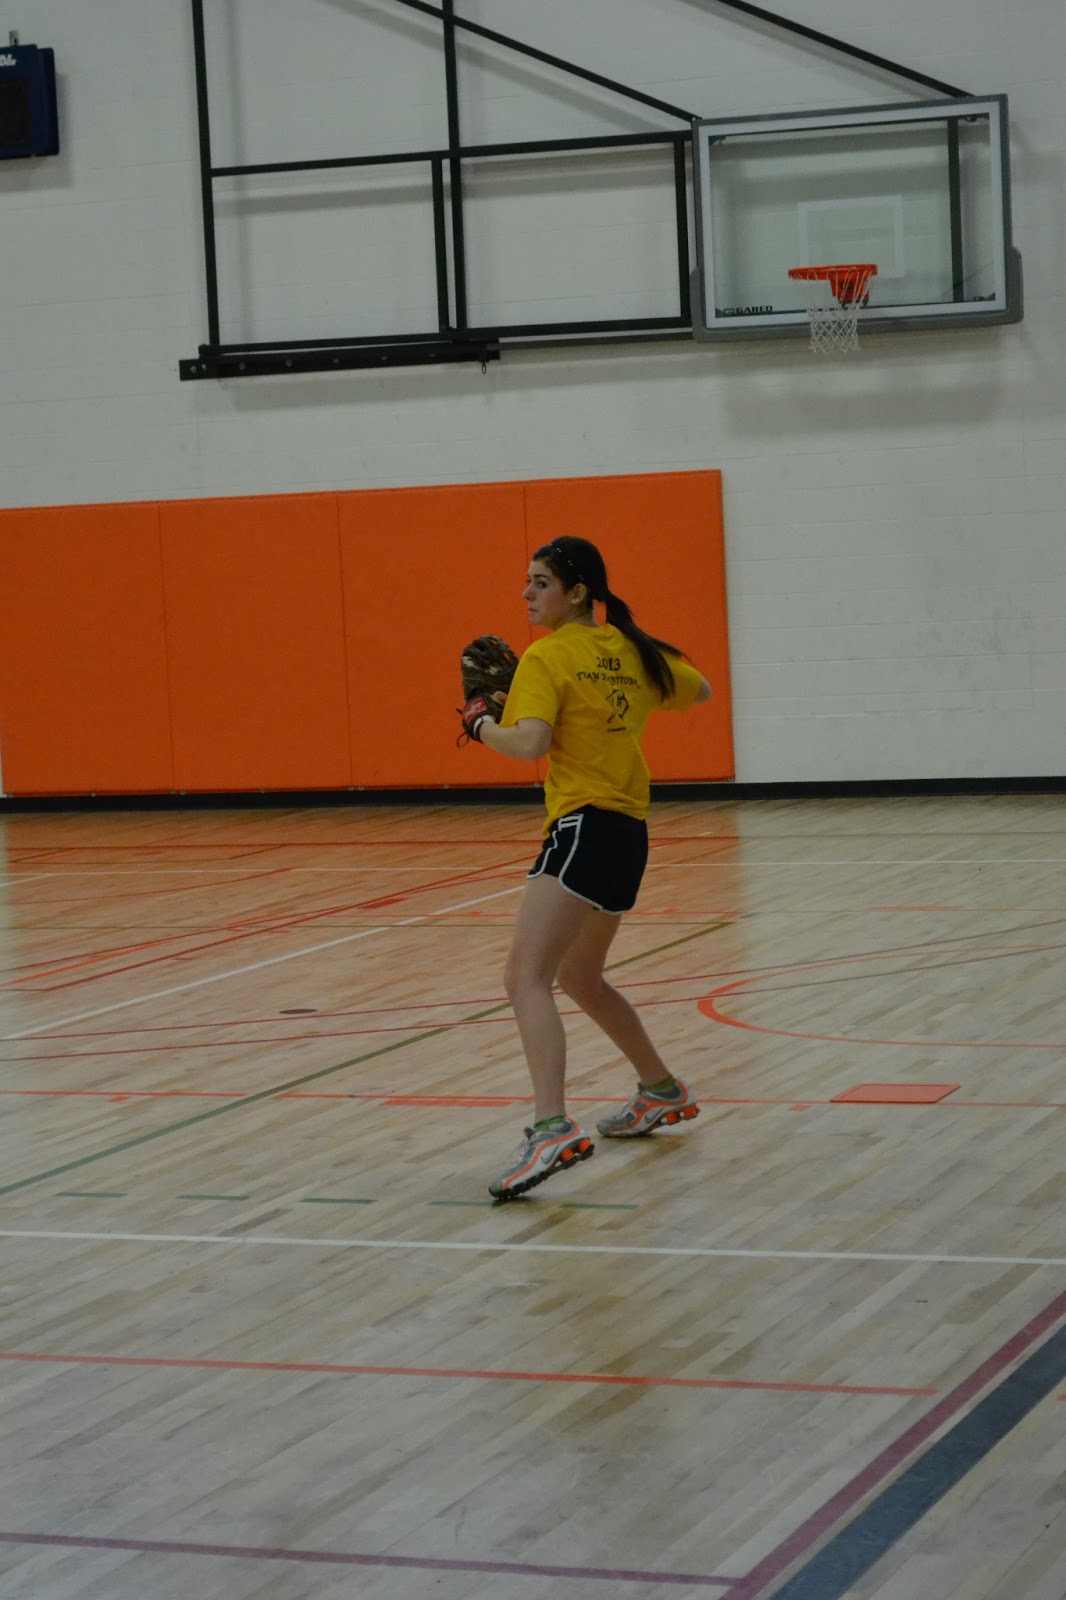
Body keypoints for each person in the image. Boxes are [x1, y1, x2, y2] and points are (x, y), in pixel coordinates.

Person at [461, 535, 712, 1200]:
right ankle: (661, 1090)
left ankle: (551, 1129)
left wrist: (481, 722)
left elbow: (529, 744)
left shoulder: (547, 656)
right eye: (526, 581)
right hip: (628, 835)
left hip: (581, 827)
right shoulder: (630, 648)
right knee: (579, 976)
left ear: (576, 593)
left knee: (524, 977)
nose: (527, 593)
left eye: (541, 582)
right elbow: (702, 690)